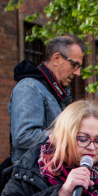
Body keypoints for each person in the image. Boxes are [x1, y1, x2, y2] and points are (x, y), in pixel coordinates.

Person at [9, 35, 84, 164]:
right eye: (75, 65)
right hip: (33, 178)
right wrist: (71, 136)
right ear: (56, 59)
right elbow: (23, 137)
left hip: (52, 173)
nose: (78, 73)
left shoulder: (59, 90)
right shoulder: (29, 88)